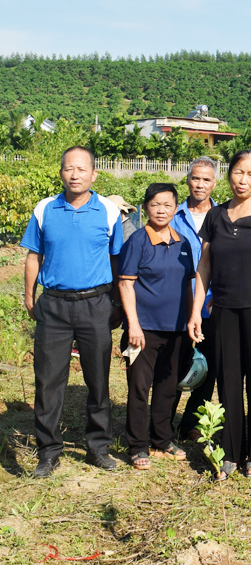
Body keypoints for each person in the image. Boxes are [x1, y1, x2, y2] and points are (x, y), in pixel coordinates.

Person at [22, 146, 124, 477]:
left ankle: (98, 447)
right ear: (61, 172)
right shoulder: (45, 209)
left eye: (82, 169)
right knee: (48, 381)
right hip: (53, 304)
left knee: (98, 379)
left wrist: (117, 304)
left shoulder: (109, 212)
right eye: (69, 168)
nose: (75, 174)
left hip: (95, 304)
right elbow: (34, 256)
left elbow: (116, 260)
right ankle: (48, 451)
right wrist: (29, 297)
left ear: (94, 174)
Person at [188, 150, 251, 480]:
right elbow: (204, 266)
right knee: (229, 381)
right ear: (228, 175)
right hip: (224, 311)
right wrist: (196, 311)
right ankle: (230, 452)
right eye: (237, 172)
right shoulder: (216, 217)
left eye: (250, 174)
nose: (242, 180)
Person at [118, 183, 194, 469]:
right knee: (139, 387)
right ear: (146, 207)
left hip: (176, 329)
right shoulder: (137, 241)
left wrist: (190, 320)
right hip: (144, 330)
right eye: (155, 205)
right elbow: (125, 284)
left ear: (176, 208)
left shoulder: (182, 243)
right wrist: (133, 325)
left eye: (167, 205)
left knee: (168, 386)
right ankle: (138, 446)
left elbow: (187, 284)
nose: (161, 210)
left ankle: (162, 440)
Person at [171, 157, 219, 441]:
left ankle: (190, 422)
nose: (200, 184)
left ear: (215, 183)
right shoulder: (172, 215)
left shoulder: (224, 216)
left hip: (211, 305)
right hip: (177, 303)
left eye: (206, 179)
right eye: (195, 178)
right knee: (176, 364)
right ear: (187, 179)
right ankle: (164, 422)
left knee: (207, 367)